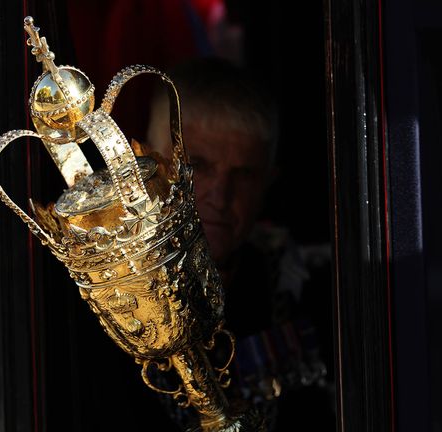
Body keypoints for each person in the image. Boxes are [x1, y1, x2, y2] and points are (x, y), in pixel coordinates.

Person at [145, 57, 334, 431]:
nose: (220, 194)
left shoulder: (299, 293)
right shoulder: (106, 305)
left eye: (243, 174)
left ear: (268, 182)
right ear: (149, 166)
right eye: (197, 166)